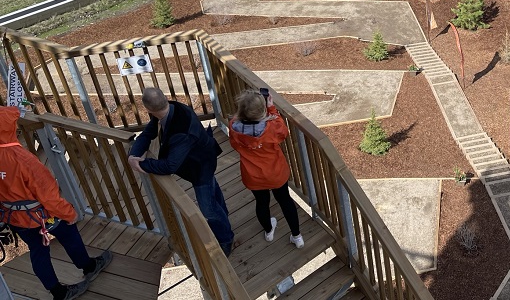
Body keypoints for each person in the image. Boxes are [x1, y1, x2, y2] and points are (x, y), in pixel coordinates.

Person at [0, 106, 112, 300]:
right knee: (68, 232)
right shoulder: (23, 160)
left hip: (14, 217)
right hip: (40, 215)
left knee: (38, 250)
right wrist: (69, 214)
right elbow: (48, 194)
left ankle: (58, 292)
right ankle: (89, 266)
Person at [128, 87, 234, 256]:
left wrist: (144, 163)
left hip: (200, 167)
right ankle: (223, 217)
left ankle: (226, 238)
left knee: (208, 209)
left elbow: (170, 166)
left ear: (148, 109)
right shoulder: (170, 108)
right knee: (213, 191)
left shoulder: (181, 131)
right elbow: (148, 133)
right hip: (202, 157)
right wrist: (133, 155)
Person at [228, 89, 304, 248]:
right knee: (285, 201)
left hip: (252, 175)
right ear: (262, 111)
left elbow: (235, 144)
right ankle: (297, 237)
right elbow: (283, 132)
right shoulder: (271, 127)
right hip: (275, 172)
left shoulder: (234, 127)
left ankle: (269, 231)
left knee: (261, 203)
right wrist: (271, 108)